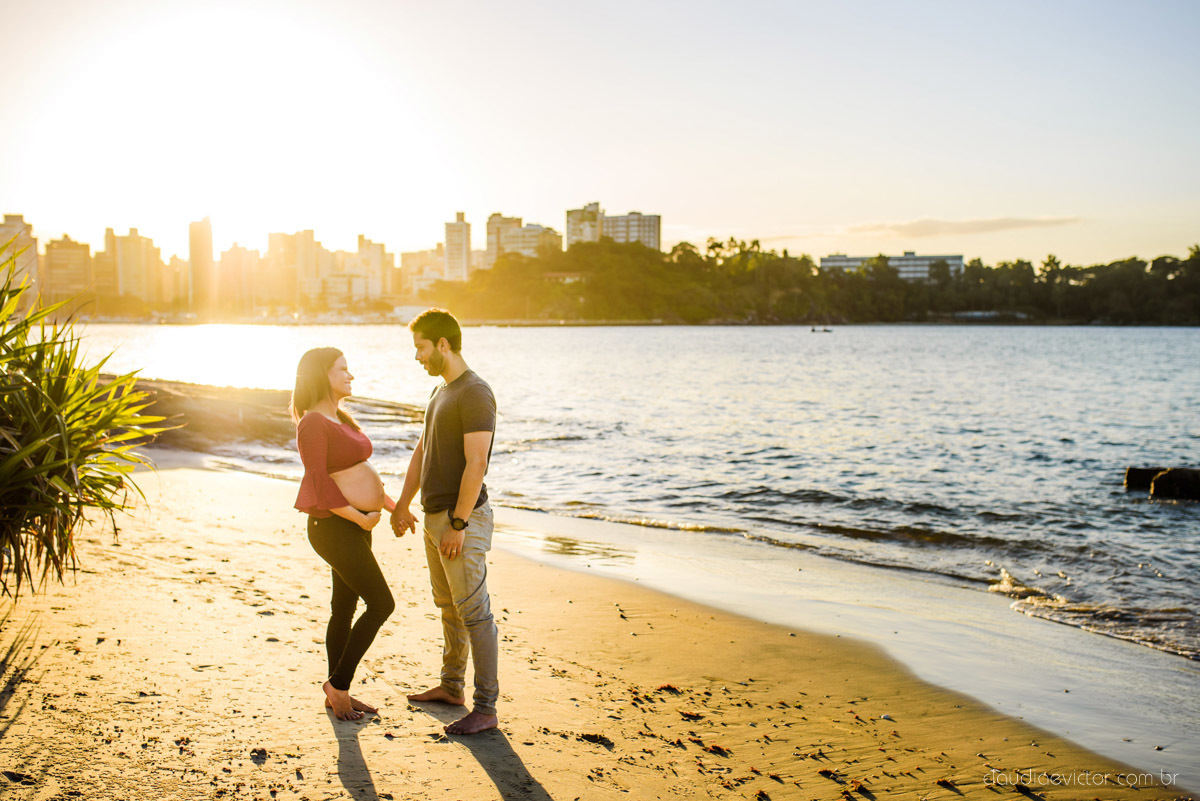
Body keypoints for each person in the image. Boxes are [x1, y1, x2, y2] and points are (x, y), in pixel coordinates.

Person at [391, 309, 499, 735]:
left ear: (443, 344)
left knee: (475, 613)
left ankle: (485, 708)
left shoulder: (475, 392)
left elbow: (477, 464)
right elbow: (423, 452)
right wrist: (403, 504)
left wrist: (458, 523)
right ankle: (452, 687)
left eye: (420, 347)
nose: (416, 356)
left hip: (461, 521)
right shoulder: (441, 393)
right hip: (436, 518)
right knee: (448, 608)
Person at [292, 347, 397, 721]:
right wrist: (358, 517)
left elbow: (357, 470)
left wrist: (392, 506)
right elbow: (320, 483)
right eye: (343, 369)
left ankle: (339, 693)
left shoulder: (341, 418)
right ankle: (338, 684)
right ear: (322, 375)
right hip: (333, 526)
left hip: (353, 525)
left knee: (344, 608)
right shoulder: (312, 424)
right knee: (382, 604)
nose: (351, 375)